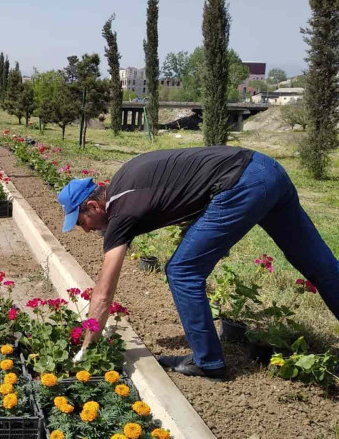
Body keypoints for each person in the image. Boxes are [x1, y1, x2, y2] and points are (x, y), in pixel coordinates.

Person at [58, 146, 339, 379]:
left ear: (93, 206)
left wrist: (87, 347)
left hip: (241, 183)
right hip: (265, 168)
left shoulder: (121, 210)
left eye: (82, 222)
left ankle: (208, 361)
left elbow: (104, 292)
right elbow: (186, 182)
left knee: (181, 271)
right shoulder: (125, 179)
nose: (86, 230)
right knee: (318, 264)